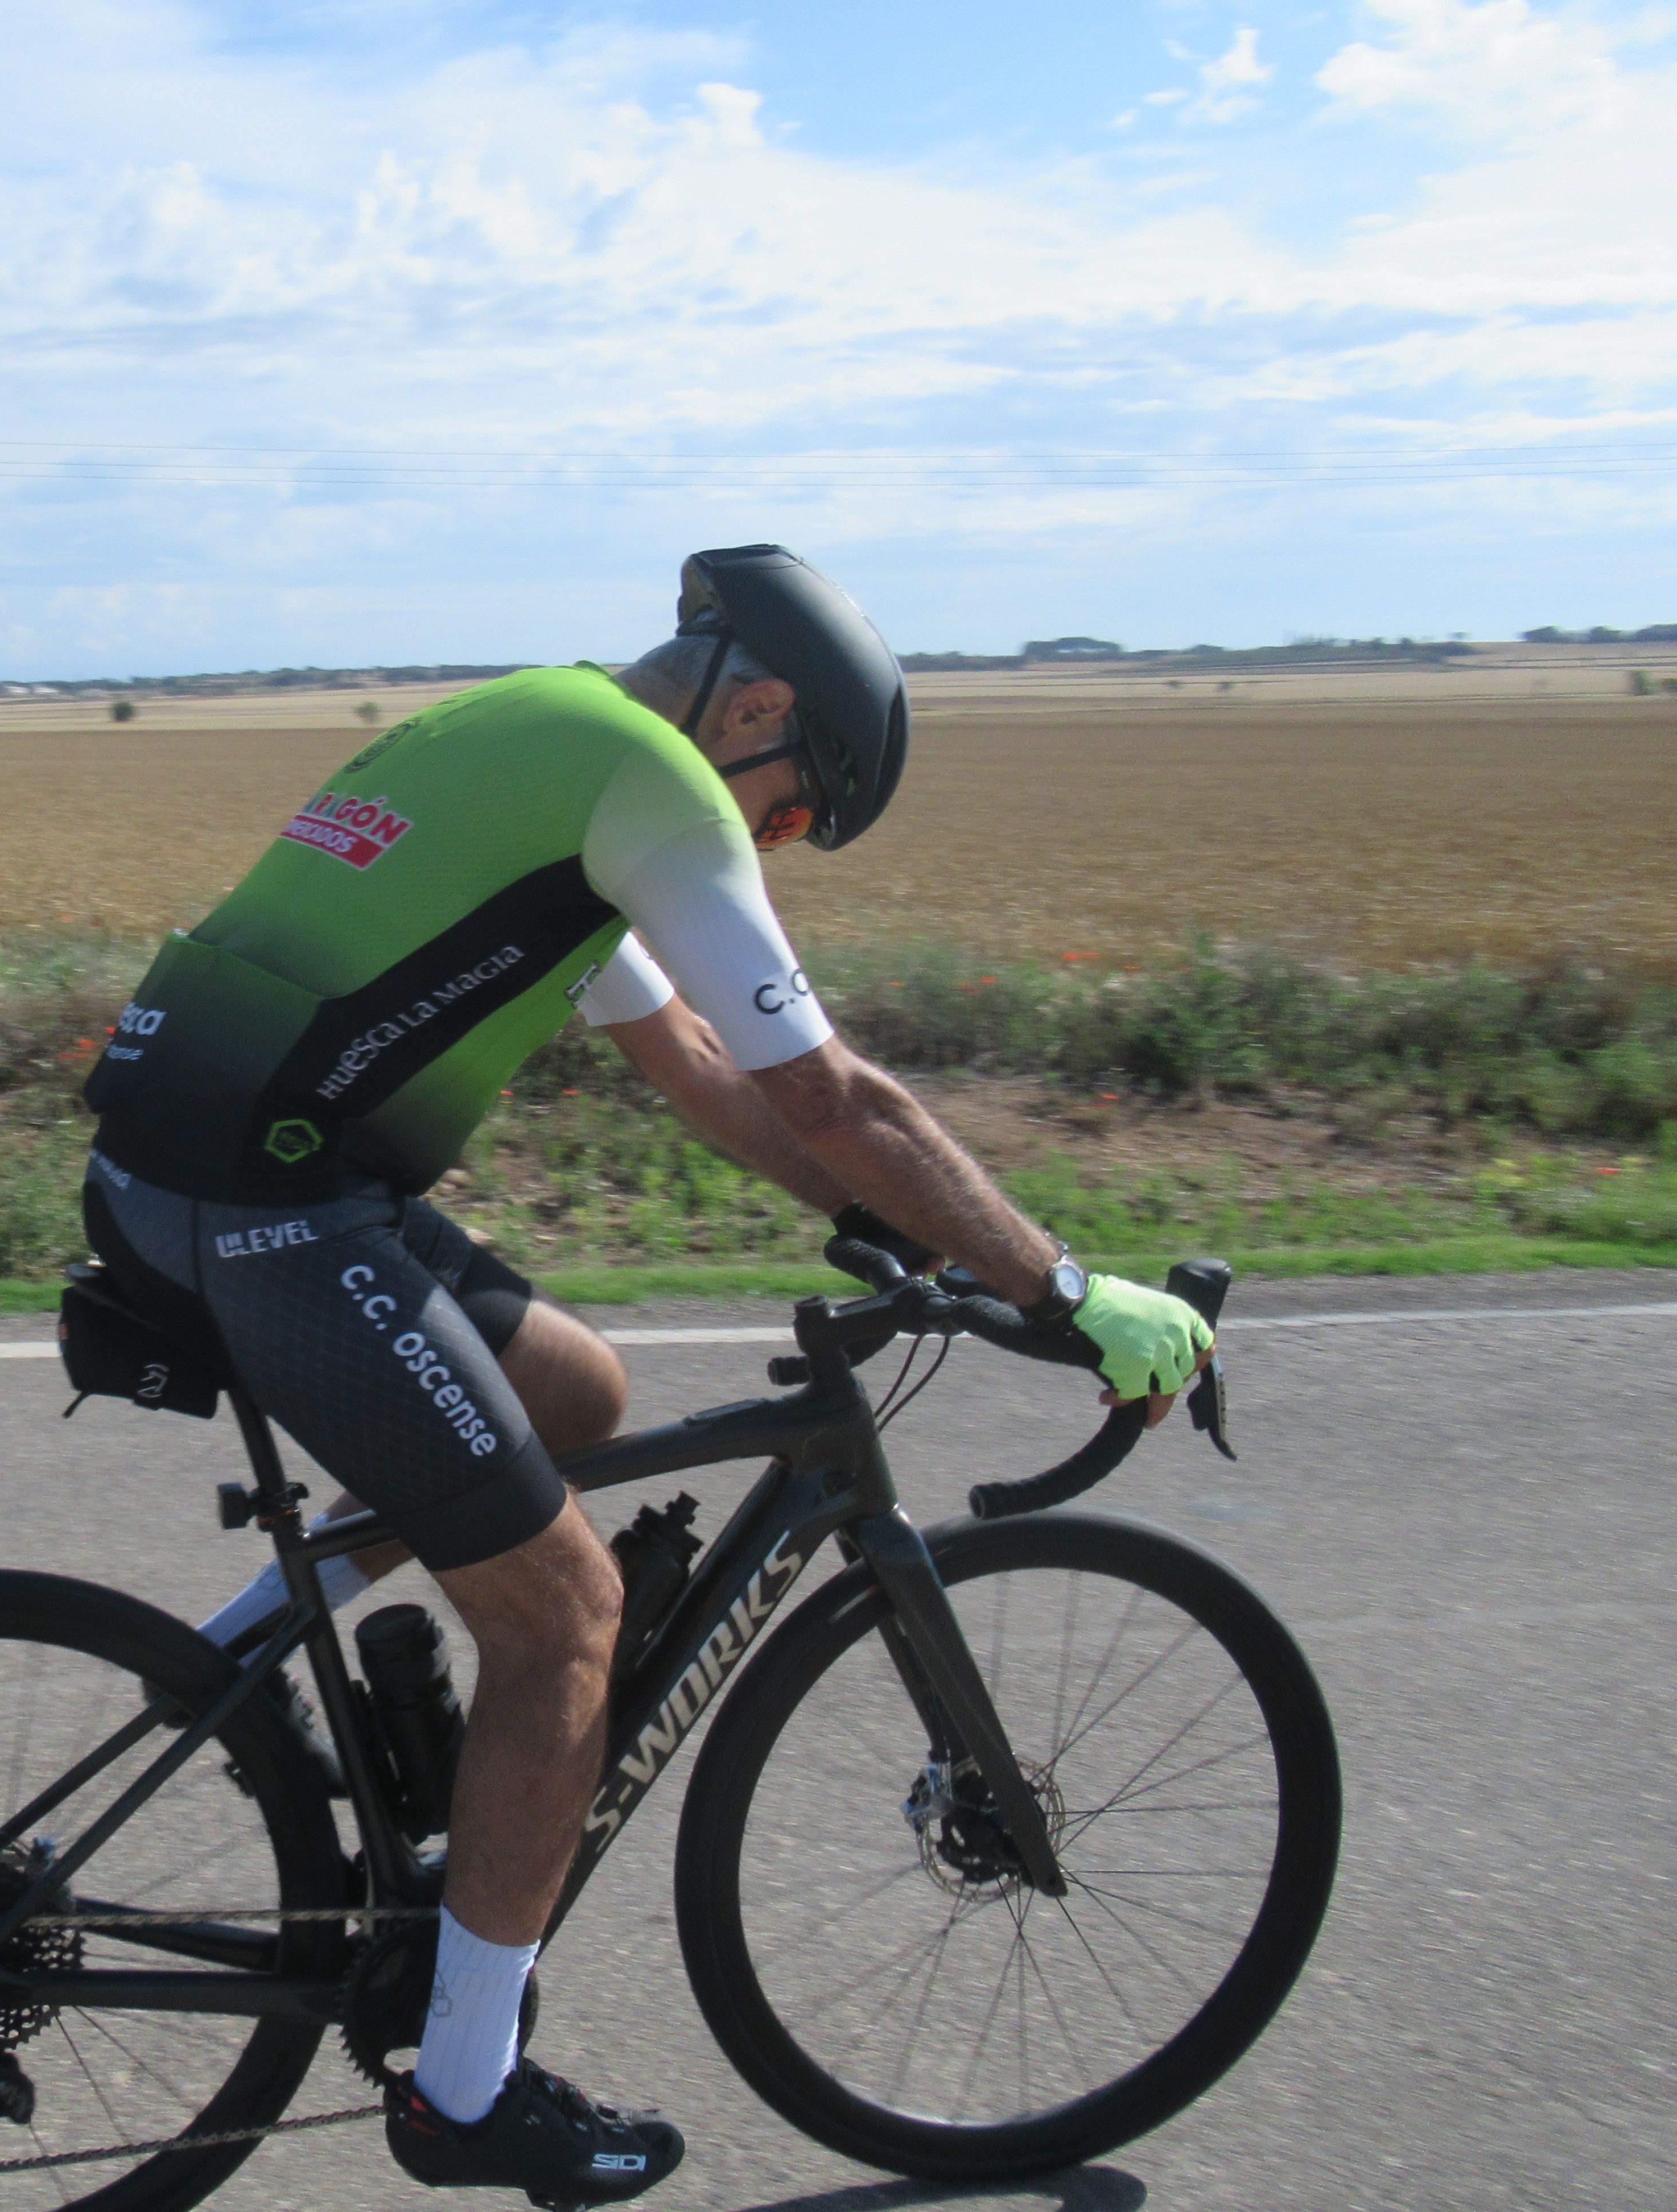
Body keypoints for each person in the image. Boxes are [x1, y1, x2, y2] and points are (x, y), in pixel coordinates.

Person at [78, 544, 1214, 2205]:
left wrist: (891, 1225)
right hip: (269, 1211)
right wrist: (1061, 1285)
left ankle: (235, 1682)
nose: (779, 843)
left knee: (574, 1399)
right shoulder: (660, 788)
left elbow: (697, 1067)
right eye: (800, 805)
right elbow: (842, 1101)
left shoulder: (539, 739)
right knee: (570, 1618)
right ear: (756, 709)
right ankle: (467, 2096)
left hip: (215, 1174)